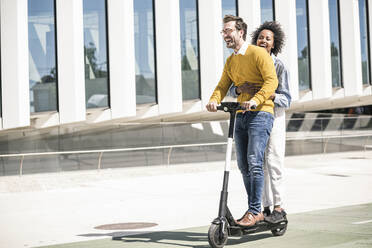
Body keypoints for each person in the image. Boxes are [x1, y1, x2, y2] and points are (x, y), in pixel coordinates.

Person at [206, 15, 278, 227]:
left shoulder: (258, 53)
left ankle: (255, 211)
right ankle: (253, 209)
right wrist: (213, 100)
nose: (225, 35)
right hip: (241, 114)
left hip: (261, 113)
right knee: (243, 165)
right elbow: (222, 86)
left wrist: (256, 100)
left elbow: (271, 81)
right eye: (223, 32)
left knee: (255, 162)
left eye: (228, 31)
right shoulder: (231, 61)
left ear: (240, 32)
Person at [229, 21, 291, 223]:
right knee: (256, 162)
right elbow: (233, 88)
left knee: (273, 160)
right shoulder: (248, 60)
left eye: (268, 38)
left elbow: (287, 98)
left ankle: (279, 207)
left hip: (274, 114)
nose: (263, 40)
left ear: (274, 44)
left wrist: (268, 95)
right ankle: (262, 207)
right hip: (252, 115)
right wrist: (240, 90)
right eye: (260, 37)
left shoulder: (278, 65)